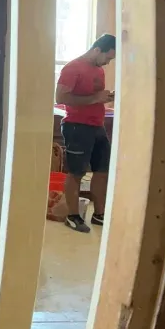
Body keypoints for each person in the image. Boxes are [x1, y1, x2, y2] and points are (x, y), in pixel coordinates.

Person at [55, 33, 116, 233]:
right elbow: (61, 97)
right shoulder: (73, 68)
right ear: (97, 50)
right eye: (107, 57)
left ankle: (99, 214)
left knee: (102, 171)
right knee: (76, 173)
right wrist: (94, 99)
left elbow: (93, 95)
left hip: (97, 126)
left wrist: (105, 98)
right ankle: (73, 217)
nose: (108, 62)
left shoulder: (98, 70)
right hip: (77, 126)